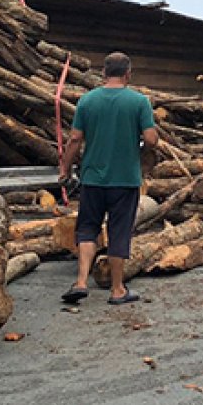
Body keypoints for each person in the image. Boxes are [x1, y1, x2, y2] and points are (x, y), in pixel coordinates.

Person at [59, 52, 159, 305]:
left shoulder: (87, 101)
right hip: (125, 179)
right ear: (128, 74)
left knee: (87, 229)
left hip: (93, 177)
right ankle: (117, 289)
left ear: (103, 73)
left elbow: (74, 139)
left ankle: (81, 282)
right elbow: (151, 139)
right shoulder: (139, 102)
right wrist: (143, 152)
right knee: (119, 232)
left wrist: (64, 169)